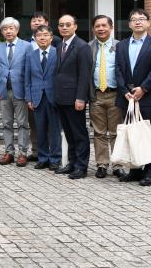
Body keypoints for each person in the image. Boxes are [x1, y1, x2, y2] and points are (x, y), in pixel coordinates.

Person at [114, 8, 151, 186]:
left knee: (149, 134)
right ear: (129, 24)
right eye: (134, 19)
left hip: (148, 97)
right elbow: (117, 69)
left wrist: (143, 89)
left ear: (148, 23)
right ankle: (135, 170)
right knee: (131, 133)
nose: (138, 22)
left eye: (142, 19)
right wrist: (124, 90)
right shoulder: (121, 45)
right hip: (127, 98)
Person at [53, 14, 91, 179]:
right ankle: (72, 163)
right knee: (69, 133)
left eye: (68, 24)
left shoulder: (82, 46)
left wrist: (81, 98)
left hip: (75, 98)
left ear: (75, 26)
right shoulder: (59, 46)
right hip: (61, 97)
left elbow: (84, 75)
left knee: (79, 134)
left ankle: (81, 167)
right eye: (61, 25)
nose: (64, 27)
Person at [87, 15, 124, 179]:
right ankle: (102, 164)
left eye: (104, 25)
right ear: (93, 29)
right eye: (97, 26)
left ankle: (118, 165)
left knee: (116, 132)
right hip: (96, 95)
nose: (101, 29)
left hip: (115, 94)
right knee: (99, 132)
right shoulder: (88, 47)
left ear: (111, 27)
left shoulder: (120, 46)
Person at [0, 17, 31, 166]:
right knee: (6, 123)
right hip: (3, 91)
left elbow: (29, 70)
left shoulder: (27, 46)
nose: (8, 31)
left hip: (21, 91)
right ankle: (9, 152)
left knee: (22, 123)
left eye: (11, 28)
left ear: (17, 30)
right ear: (2, 32)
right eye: (5, 29)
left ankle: (23, 153)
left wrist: (29, 92)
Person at [25, 25, 62, 171]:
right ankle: (43, 158)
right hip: (37, 98)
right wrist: (29, 98)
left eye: (45, 35)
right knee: (39, 130)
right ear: (35, 38)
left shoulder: (58, 53)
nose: (42, 38)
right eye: (39, 35)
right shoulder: (31, 55)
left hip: (54, 97)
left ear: (51, 38)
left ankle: (55, 158)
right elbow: (27, 79)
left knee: (55, 130)